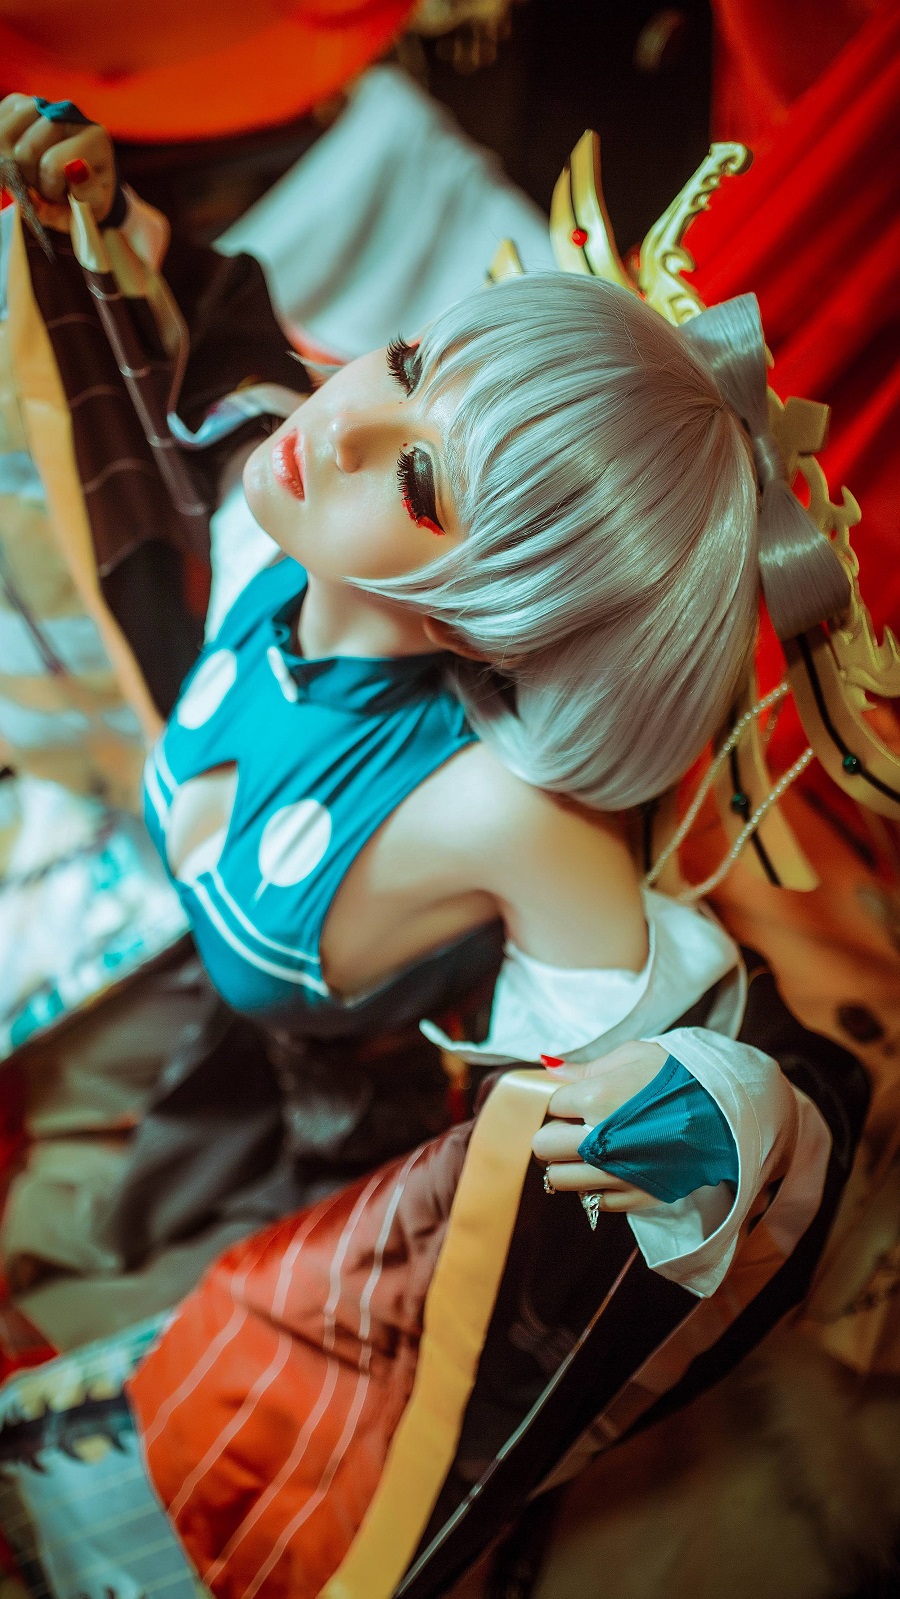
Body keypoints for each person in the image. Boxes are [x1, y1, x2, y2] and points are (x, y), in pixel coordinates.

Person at [0, 94, 865, 1599]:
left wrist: (704, 1120)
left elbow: (705, 1069)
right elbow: (202, 351)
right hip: (155, 988)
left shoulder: (502, 812)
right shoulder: (280, 500)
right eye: (409, 362)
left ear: (502, 608)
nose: (339, 421)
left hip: (299, 1182)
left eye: (422, 482)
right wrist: (97, 213)